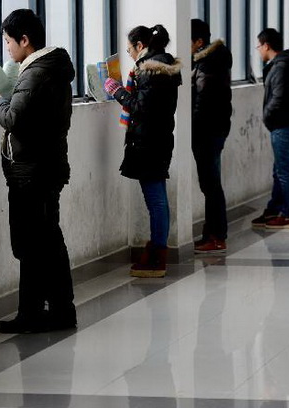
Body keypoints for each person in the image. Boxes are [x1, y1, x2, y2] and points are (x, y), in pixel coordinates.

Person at [0, 9, 77, 333]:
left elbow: (13, 118)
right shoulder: (52, 70)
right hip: (45, 167)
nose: (8, 49)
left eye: (9, 42)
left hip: (32, 171)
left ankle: (42, 312)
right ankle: (48, 310)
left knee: (36, 243)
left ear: (25, 40)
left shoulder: (37, 74)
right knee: (44, 241)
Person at [104, 25, 182, 277]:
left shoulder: (150, 72)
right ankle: (157, 250)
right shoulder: (164, 68)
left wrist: (117, 92)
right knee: (157, 197)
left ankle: (157, 256)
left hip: (149, 142)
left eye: (130, 50)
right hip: (159, 139)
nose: (130, 55)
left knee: (155, 199)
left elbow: (141, 108)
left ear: (140, 46)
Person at [252, 28, 289, 230]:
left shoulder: (281, 67)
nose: (258, 51)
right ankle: (274, 208)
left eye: (258, 46)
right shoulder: (285, 64)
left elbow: (279, 97)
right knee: (279, 171)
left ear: (266, 45)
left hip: (284, 126)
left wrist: (267, 115)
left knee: (285, 172)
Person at [190, 18, 232, 253]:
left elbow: (202, 103)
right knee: (210, 184)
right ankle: (213, 233)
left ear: (199, 41)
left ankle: (216, 235)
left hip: (207, 131)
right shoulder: (213, 60)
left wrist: (191, 130)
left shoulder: (208, 64)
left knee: (211, 184)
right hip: (214, 129)